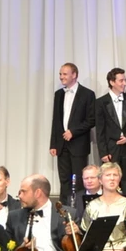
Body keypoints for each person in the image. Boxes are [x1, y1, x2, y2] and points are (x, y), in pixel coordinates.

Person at [49, 63, 96, 206]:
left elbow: (91, 119)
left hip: (78, 144)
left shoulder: (87, 94)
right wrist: (53, 144)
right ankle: (64, 209)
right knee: (64, 179)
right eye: (60, 74)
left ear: (74, 75)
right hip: (62, 144)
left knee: (79, 179)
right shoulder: (58, 94)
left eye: (64, 74)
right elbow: (56, 121)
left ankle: (79, 209)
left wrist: (73, 132)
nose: (61, 77)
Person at [95, 67, 126, 195]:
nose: (124, 83)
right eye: (121, 81)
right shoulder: (101, 102)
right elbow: (100, 129)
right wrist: (103, 152)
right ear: (112, 82)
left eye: (125, 80)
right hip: (111, 148)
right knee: (111, 179)